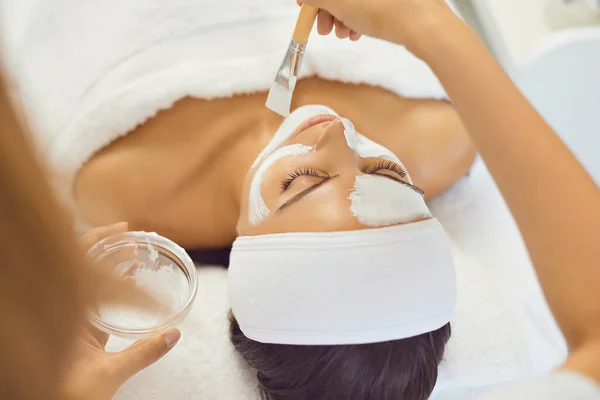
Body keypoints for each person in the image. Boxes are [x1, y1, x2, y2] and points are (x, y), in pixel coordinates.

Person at [1, 2, 599, 400]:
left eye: (302, 183)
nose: (338, 133)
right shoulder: (441, 138)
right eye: (388, 173)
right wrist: (427, 23)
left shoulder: (118, 182)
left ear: (242, 253)